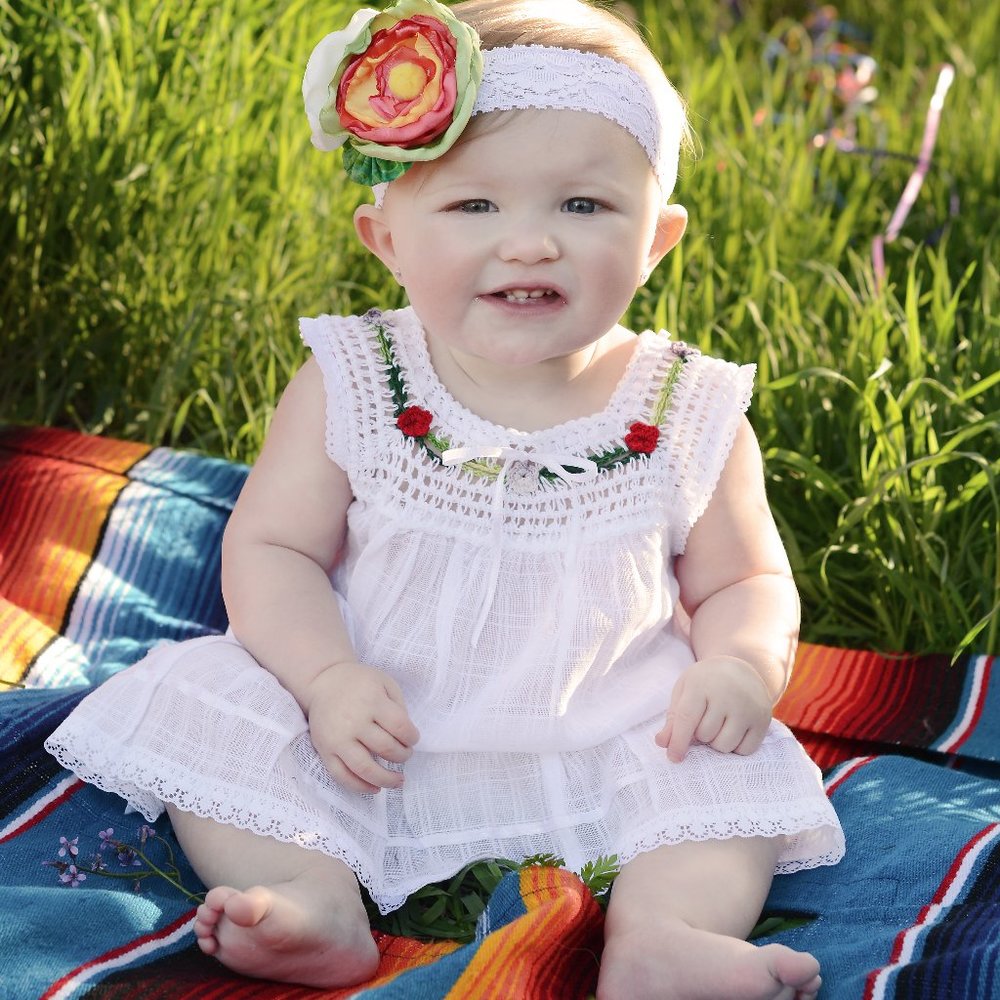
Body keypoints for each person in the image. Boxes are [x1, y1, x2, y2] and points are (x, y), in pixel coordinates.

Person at [46, 1, 845, 997]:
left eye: (583, 207)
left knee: (728, 775)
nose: (528, 244)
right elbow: (275, 548)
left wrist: (737, 662)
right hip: (370, 731)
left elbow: (748, 575)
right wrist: (326, 675)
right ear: (383, 235)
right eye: (474, 207)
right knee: (206, 702)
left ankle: (664, 938)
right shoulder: (358, 375)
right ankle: (311, 890)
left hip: (613, 732)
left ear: (657, 239)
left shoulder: (686, 406)